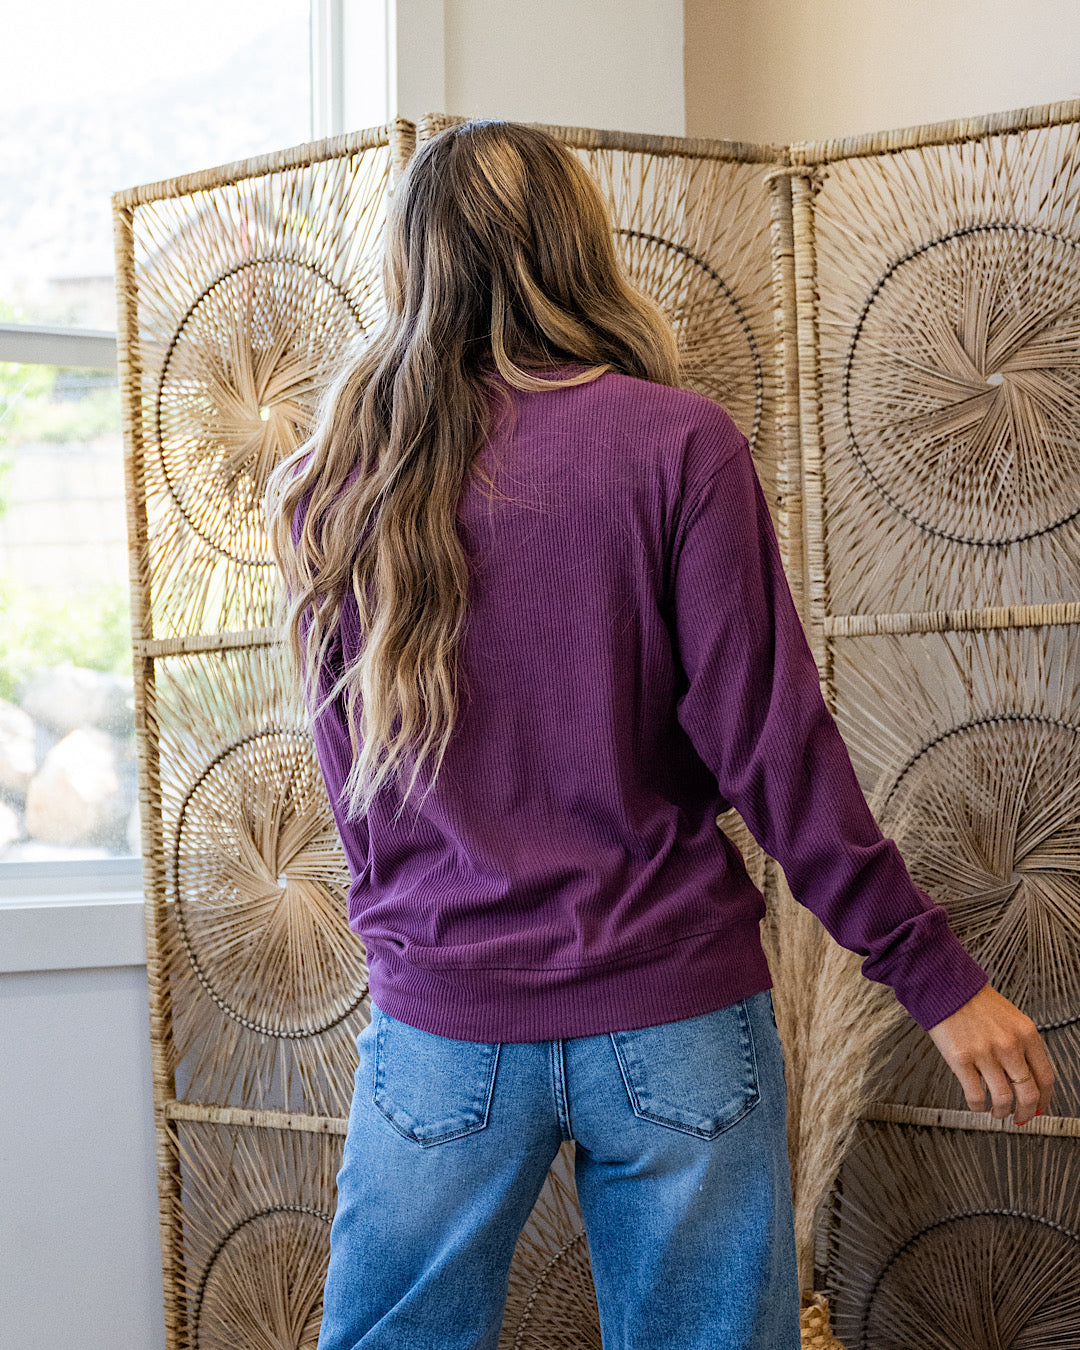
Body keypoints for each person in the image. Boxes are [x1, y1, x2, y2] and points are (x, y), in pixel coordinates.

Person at [264, 118, 1055, 1350]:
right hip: (675, 1014)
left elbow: (352, 795)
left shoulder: (333, 483)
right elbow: (776, 749)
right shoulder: (679, 444)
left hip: (443, 1026)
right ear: (578, 247)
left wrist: (425, 949)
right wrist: (934, 977)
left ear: (412, 262)